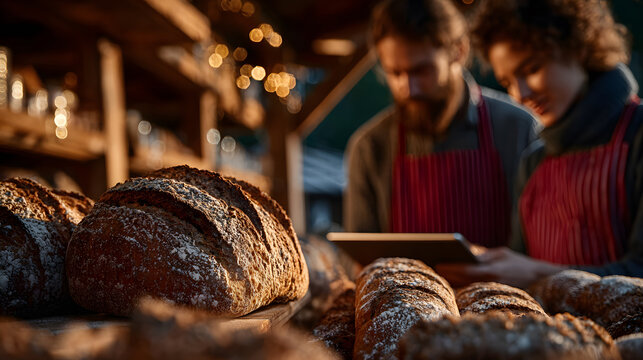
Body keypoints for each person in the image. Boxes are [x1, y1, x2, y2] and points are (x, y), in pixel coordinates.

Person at [437, 0, 643, 288]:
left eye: (532, 69)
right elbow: (520, 274)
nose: (520, 94)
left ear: (579, 48)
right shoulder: (534, 161)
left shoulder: (637, 134)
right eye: (508, 81)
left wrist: (538, 274)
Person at [343, 0, 537, 248]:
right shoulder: (369, 148)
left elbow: (536, 253)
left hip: (503, 287)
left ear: (458, 51)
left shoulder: (518, 129)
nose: (408, 88)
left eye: (421, 71)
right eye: (395, 73)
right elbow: (362, 261)